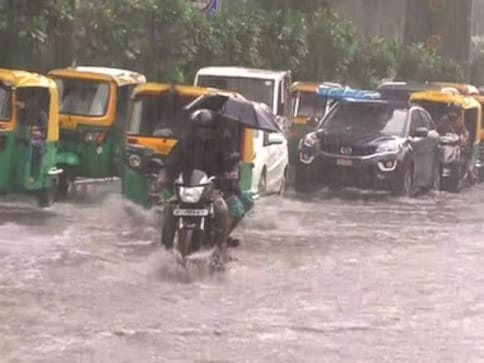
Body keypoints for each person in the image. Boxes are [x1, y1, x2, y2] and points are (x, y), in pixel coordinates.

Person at [158, 108, 251, 251]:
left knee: (229, 209)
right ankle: (166, 247)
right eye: (199, 128)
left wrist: (232, 173)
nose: (203, 132)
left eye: (207, 128)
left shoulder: (222, 143)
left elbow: (231, 162)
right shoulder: (183, 144)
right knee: (169, 207)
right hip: (186, 188)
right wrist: (163, 178)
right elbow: (171, 163)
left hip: (213, 188)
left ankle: (221, 242)